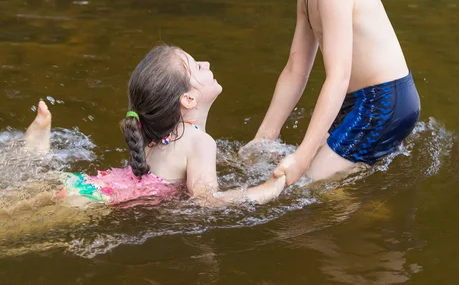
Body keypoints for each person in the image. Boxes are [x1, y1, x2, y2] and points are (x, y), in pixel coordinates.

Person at [243, 0, 421, 185]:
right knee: (300, 176)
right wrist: (264, 137)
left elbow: (338, 76)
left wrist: (302, 155)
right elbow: (295, 71)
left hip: (385, 100)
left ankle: (373, 219)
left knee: (312, 183)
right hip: (359, 101)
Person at [14, 45, 286, 209]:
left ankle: (36, 150)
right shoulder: (199, 142)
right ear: (188, 99)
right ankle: (36, 151)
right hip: (94, 201)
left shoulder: (156, 136)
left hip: (86, 186)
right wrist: (260, 192)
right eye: (196, 67)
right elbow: (206, 200)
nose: (207, 63)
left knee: (19, 206)